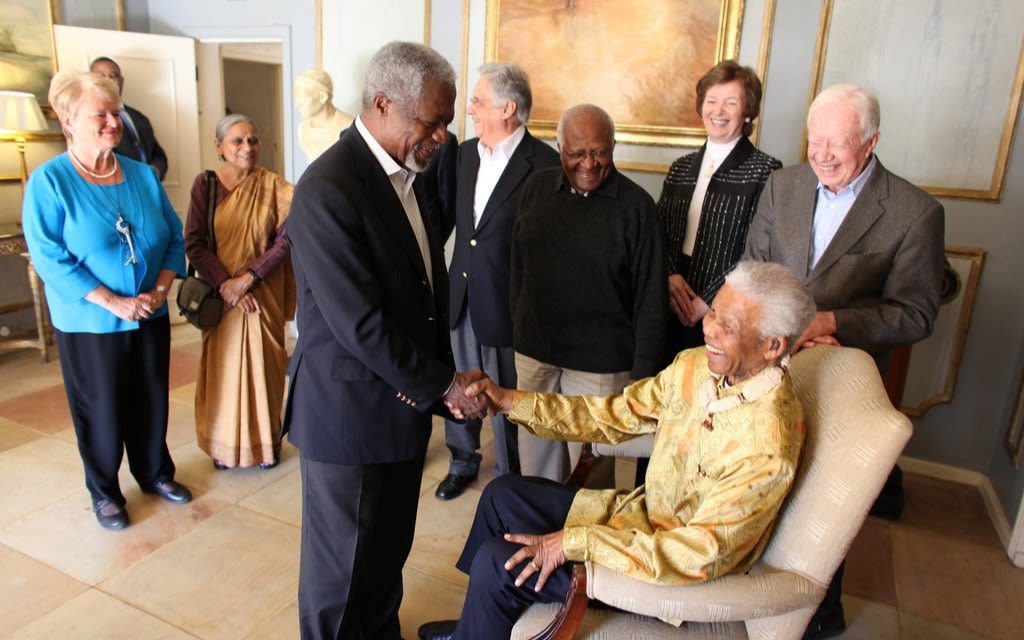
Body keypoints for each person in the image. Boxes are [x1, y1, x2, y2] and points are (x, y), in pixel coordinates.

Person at [417, 261, 817, 640]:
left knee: (496, 562)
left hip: (667, 577)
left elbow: (698, 555)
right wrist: (507, 401)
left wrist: (573, 541)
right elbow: (611, 414)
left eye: (726, 326)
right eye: (712, 313)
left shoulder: (769, 444)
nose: (708, 330)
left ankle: (484, 614)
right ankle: (477, 622)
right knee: (500, 496)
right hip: (637, 521)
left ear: (772, 346)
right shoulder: (696, 367)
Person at [283, 41, 487, 640]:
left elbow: (424, 294)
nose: (444, 136)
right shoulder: (327, 188)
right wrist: (444, 385)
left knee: (383, 559)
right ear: (381, 103)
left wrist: (432, 379)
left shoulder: (410, 177)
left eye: (449, 122)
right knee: (341, 581)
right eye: (433, 122)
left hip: (399, 408)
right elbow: (360, 323)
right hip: (349, 420)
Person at [743, 83, 945, 639]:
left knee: (818, 505)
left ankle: (817, 615)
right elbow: (754, 266)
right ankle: (750, 590)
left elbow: (916, 313)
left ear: (872, 140)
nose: (822, 154)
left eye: (838, 143)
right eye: (815, 140)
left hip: (839, 380)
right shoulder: (782, 186)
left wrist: (831, 322)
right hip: (766, 370)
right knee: (759, 482)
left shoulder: (914, 212)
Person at [21, 70, 191, 531]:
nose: (114, 122)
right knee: (101, 406)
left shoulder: (141, 175)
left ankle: (155, 473)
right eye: (102, 114)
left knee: (151, 399)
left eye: (116, 113)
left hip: (149, 312)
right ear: (68, 119)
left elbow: (175, 239)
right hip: (90, 321)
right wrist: (114, 302)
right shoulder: (49, 182)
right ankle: (105, 492)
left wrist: (158, 292)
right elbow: (49, 257)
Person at [510, 103, 668, 484]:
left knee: (592, 466)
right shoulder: (536, 189)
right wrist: (517, 324)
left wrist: (642, 373)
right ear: (559, 148)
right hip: (537, 353)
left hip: (601, 363)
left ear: (613, 146)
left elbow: (652, 297)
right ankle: (540, 527)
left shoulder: (637, 207)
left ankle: (584, 538)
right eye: (576, 153)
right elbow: (517, 265)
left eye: (600, 152)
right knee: (537, 462)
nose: (589, 163)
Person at [434, 63, 561, 501]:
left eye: (477, 101)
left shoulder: (544, 164)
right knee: (460, 382)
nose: (469, 110)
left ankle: (510, 474)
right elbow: (451, 222)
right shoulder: (464, 154)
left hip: (509, 307)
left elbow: (548, 247)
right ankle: (462, 459)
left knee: (504, 396)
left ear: (508, 108)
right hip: (461, 294)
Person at [184, 114, 294, 470]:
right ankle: (225, 447)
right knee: (225, 371)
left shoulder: (276, 186)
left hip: (262, 294)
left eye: (253, 140)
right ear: (219, 147)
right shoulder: (207, 185)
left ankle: (264, 446)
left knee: (267, 368)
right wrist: (226, 285)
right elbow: (195, 243)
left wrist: (248, 279)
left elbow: (286, 241)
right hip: (221, 298)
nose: (247, 148)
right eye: (237, 141)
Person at [657, 60, 782, 351]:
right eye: (712, 101)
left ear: (748, 111)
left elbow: (758, 250)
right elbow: (657, 232)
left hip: (727, 306)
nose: (719, 111)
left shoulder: (765, 170)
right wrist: (669, 276)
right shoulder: (681, 167)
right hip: (668, 297)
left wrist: (712, 301)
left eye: (731, 102)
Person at [89, 56, 169, 180]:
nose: (108, 80)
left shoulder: (139, 117)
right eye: (101, 76)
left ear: (121, 81)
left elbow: (158, 155)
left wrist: (154, 172)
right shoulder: (88, 120)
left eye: (113, 75)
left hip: (149, 188)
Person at [294, 69, 354, 162]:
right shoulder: (303, 129)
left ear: (323, 97)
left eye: (303, 98)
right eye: (296, 98)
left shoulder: (348, 127)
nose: (297, 105)